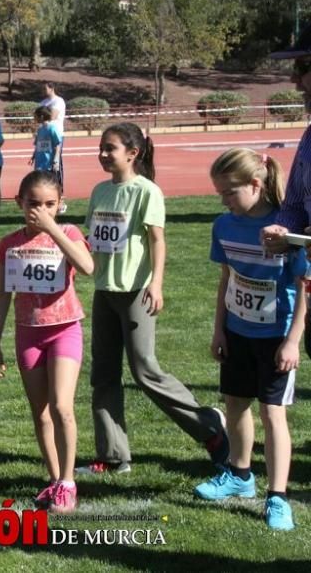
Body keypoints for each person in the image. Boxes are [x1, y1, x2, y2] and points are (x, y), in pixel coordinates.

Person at [77, 123, 229, 475]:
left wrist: (156, 284)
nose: (102, 153)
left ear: (132, 153)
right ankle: (113, 455)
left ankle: (210, 428)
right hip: (105, 291)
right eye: (101, 147)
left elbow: (157, 241)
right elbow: (95, 239)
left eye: (110, 148)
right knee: (103, 375)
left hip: (136, 292)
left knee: (145, 371)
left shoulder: (147, 191)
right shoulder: (100, 191)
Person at [197, 148, 306, 531]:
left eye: (229, 192)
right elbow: (227, 279)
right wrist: (218, 330)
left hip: (275, 336)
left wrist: (292, 340)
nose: (224, 200)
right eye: (220, 194)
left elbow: (303, 287)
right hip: (238, 331)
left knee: (271, 412)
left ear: (255, 184)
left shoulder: (284, 228)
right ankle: (240, 477)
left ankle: (278, 497)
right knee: (236, 404)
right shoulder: (224, 226)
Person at [0, 170, 93, 513]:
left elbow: (88, 266)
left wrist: (51, 229)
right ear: (19, 203)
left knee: (63, 406)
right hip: (28, 333)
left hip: (64, 329)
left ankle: (68, 482)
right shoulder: (9, 244)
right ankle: (54, 479)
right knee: (42, 413)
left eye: (50, 204)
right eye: (34, 204)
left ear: (61, 204)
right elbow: (2, 294)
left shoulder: (69, 232)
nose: (41, 210)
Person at [262, 24, 311, 362]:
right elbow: (294, 203)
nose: (295, 81)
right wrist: (283, 227)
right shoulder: (309, 138)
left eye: (302, 68)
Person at [39, 83, 67, 211]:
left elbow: (52, 116)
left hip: (56, 136)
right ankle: (46, 199)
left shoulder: (58, 101)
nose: (44, 91)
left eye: (45, 88)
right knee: (44, 171)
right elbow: (40, 116)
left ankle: (60, 202)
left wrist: (42, 116)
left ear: (52, 88)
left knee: (56, 170)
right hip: (44, 137)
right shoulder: (43, 102)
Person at [30, 107, 61, 176]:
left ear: (41, 117)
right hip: (39, 164)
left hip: (48, 165)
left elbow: (57, 146)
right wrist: (33, 157)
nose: (34, 118)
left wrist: (56, 161)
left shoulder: (52, 129)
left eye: (35, 116)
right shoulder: (40, 129)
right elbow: (37, 146)